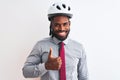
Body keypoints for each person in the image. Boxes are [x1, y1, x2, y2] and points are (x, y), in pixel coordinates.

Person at [22, 2, 88, 80]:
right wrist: (46, 66)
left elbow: (83, 77)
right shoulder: (41, 45)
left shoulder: (79, 47)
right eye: (57, 25)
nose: (62, 28)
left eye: (65, 24)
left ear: (69, 24)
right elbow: (25, 72)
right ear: (51, 25)